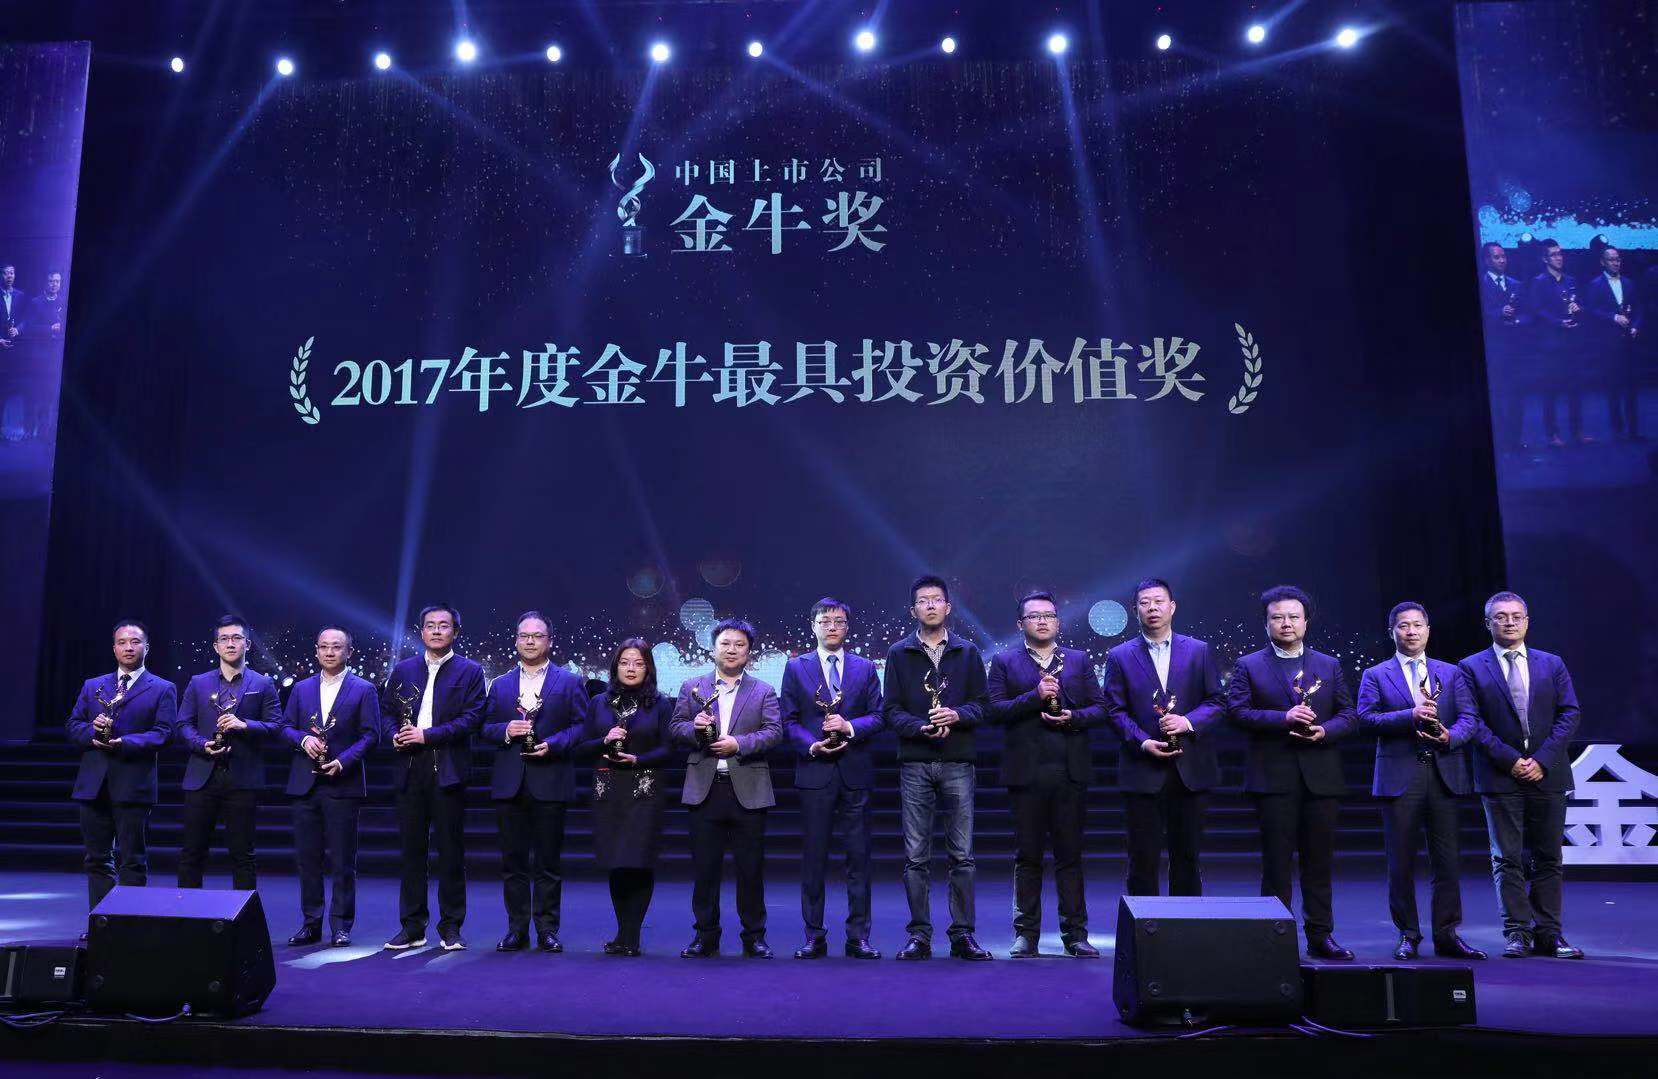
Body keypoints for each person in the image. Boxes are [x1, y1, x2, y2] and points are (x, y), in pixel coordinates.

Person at [1226, 586, 1358, 961]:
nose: (1286, 623)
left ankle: (1321, 935)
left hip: (1321, 777)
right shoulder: (1249, 665)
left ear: (1306, 621)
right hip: (1273, 778)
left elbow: (1349, 715)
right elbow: (1236, 713)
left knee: (1319, 862)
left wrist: (1324, 731)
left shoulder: (1329, 665)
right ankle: (1274, 938)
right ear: (1266, 622)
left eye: (1293, 617)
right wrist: (1283, 718)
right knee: (1276, 863)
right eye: (1278, 617)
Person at [1457, 591, 1584, 960]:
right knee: (1507, 858)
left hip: (1548, 773)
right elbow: (1472, 721)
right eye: (1501, 616)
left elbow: (1569, 714)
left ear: (1527, 621)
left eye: (1516, 616)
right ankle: (1517, 933)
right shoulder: (1470, 667)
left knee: (1548, 857)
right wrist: (1511, 760)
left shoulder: (1552, 663)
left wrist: (1541, 759)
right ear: (1488, 623)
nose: (1509, 622)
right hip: (1499, 775)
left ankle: (1550, 934)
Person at [1355, 602, 1485, 961]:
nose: (1411, 631)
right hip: (1400, 776)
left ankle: (1447, 934)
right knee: (1401, 863)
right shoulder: (1376, 674)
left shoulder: (1452, 673)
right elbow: (1365, 719)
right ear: (1392, 632)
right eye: (1403, 626)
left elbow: (1470, 719)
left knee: (1448, 862)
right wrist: (1409, 715)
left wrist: (1450, 737)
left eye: (1417, 625)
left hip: (1444, 774)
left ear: (1428, 630)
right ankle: (1408, 934)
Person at [986, 590, 1106, 957]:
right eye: (1034, 616)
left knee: (1071, 856)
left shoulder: (1078, 660)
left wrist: (1073, 717)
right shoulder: (1005, 661)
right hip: (1026, 774)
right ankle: (1026, 934)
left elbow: (1100, 709)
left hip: (1070, 771)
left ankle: (1076, 935)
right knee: (1028, 857)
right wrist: (1034, 696)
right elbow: (994, 710)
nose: (1042, 621)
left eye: (1049, 615)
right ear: (1020, 624)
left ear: (1057, 622)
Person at [883, 575, 992, 961]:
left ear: (948, 607)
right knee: (916, 856)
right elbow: (890, 710)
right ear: (913, 609)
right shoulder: (898, 653)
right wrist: (920, 727)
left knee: (962, 855)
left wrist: (956, 715)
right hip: (915, 761)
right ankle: (920, 935)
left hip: (958, 760)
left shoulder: (968, 651)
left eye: (936, 599)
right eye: (923, 600)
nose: (930, 605)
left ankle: (963, 934)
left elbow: (983, 705)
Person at [1101, 577, 1226, 899]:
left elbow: (1217, 701)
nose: (1152, 608)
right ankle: (1144, 928)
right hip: (1142, 768)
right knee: (1141, 860)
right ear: (1135, 610)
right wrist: (1143, 741)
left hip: (1191, 769)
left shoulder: (1198, 650)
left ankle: (1188, 926)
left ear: (1172, 607)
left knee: (1187, 857)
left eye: (1158, 601)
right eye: (1144, 602)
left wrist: (1187, 721)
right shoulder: (1119, 655)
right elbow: (1114, 710)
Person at [779, 597, 885, 960]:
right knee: (814, 858)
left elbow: (879, 716)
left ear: (847, 627)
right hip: (815, 771)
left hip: (855, 772)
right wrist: (812, 745)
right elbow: (788, 720)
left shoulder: (865, 667)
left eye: (839, 621)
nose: (832, 627)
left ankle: (859, 937)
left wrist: (849, 726)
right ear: (813, 626)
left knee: (859, 858)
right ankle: (814, 936)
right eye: (825, 621)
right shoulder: (796, 667)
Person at [671, 619, 783, 958]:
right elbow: (675, 728)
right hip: (705, 789)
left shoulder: (763, 690)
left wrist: (739, 744)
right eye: (725, 643)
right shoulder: (692, 686)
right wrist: (694, 728)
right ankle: (705, 936)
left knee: (751, 870)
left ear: (749, 652)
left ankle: (754, 936)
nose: (731, 649)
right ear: (713, 648)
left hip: (748, 788)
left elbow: (774, 732)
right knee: (705, 870)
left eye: (739, 644)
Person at [480, 611, 589, 953]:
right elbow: (483, 728)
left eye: (537, 635)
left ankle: (547, 930)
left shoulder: (569, 681)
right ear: (516, 641)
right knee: (512, 862)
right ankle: (516, 930)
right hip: (509, 782)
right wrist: (506, 730)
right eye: (524, 635)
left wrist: (553, 745)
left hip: (551, 778)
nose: (530, 641)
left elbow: (581, 727)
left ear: (549, 641)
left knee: (548, 862)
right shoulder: (500, 684)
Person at [381, 604, 487, 951]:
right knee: (411, 852)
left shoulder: (470, 671)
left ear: (456, 631)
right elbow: (386, 711)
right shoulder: (403, 669)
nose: (437, 631)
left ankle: (451, 927)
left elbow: (472, 718)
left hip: (448, 769)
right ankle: (412, 927)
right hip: (409, 768)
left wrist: (427, 735)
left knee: (450, 852)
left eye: (444, 625)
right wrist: (394, 734)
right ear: (421, 631)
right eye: (430, 625)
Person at [279, 626, 381, 947]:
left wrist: (344, 761)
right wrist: (303, 739)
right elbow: (285, 727)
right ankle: (311, 924)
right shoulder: (301, 688)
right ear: (316, 651)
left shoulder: (364, 689)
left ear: (349, 652)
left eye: (336, 647)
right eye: (323, 646)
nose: (329, 652)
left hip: (342, 783)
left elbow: (371, 735)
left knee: (342, 861)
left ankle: (341, 926)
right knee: (307, 859)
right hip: (304, 784)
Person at [65, 620, 177, 909]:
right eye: (122, 642)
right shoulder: (93, 686)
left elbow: (164, 733)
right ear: (114, 648)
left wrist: (125, 742)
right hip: (93, 785)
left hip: (133, 784)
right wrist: (92, 732)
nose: (129, 647)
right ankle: (101, 924)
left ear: (146, 647)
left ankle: (128, 924)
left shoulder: (162, 688)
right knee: (97, 859)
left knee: (132, 860)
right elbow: (73, 726)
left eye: (135, 642)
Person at [578, 639, 675, 956]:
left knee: (639, 861)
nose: (631, 668)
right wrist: (604, 740)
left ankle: (631, 936)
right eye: (625, 662)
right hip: (607, 791)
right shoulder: (599, 703)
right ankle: (622, 932)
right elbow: (582, 747)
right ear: (615, 667)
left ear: (648, 668)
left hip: (644, 789)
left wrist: (639, 759)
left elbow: (670, 749)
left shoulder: (659, 704)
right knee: (616, 862)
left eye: (638, 662)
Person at [175, 615, 282, 891]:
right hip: (202, 776)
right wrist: (202, 744)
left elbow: (276, 726)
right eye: (224, 639)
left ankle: (244, 919)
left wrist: (245, 725)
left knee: (243, 855)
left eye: (236, 638)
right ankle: (187, 914)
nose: (230, 644)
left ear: (248, 644)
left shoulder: (263, 683)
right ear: (216, 646)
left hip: (243, 778)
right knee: (192, 853)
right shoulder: (198, 682)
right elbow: (183, 724)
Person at [1526, 240, 1588, 447]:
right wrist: (1558, 322)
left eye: (1560, 254)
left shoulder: (1570, 280)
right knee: (1551, 390)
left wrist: (1578, 308)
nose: (1559, 257)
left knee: (1575, 389)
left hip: (1571, 342)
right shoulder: (1539, 281)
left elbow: (1580, 303)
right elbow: (1537, 310)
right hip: (1551, 344)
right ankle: (1552, 434)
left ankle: (1577, 432)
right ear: (1545, 259)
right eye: (1553, 255)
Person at [1584, 245, 1643, 441]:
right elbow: (1591, 310)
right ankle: (1617, 431)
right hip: (1608, 344)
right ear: (1603, 262)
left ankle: (1634, 431)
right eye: (1611, 259)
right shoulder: (1595, 285)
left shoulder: (1629, 283)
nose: (1616, 262)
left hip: (1629, 343)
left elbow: (1639, 309)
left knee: (1632, 388)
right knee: (1613, 388)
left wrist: (1636, 326)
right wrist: (1613, 317)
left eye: (1618, 259)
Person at [1478, 242, 1530, 451]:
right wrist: (1499, 313)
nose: (1502, 260)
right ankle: (1500, 442)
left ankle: (1515, 440)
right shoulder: (1481, 285)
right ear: (1487, 260)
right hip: (1493, 350)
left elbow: (1528, 313)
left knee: (1517, 395)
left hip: (1515, 349)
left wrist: (1518, 321)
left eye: (1503, 257)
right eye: (1497, 257)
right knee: (1498, 396)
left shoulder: (1516, 284)